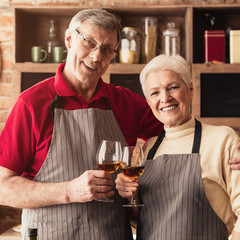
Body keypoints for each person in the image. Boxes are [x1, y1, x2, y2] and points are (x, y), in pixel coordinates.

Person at [0, 9, 163, 240]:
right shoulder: (31, 104)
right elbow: (3, 188)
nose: (96, 57)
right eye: (89, 43)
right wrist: (68, 191)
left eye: (106, 50)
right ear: (69, 39)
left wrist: (229, 146)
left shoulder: (126, 103)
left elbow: (177, 133)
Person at [115, 54, 240, 240]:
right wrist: (130, 195)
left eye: (172, 87)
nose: (165, 98)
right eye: (155, 92)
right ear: (148, 102)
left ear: (190, 89)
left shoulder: (222, 139)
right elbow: (141, 220)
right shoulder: (149, 148)